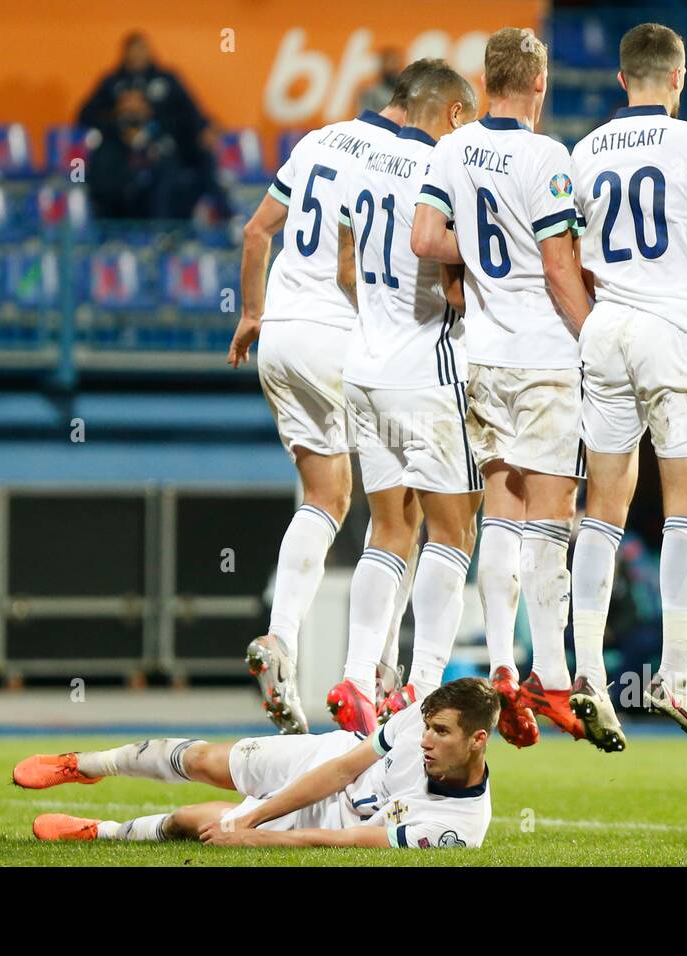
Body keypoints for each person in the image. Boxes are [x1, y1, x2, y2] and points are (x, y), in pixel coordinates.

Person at [227, 60, 436, 734]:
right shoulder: (408, 161)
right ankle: (374, 671)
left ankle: (280, 639)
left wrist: (251, 313)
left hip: (281, 338)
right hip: (345, 339)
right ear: (416, 111)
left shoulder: (317, 140)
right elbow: (359, 269)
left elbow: (256, 231)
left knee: (326, 497)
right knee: (403, 510)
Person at [411, 27, 595, 750]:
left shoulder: (450, 149)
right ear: (540, 85)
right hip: (545, 355)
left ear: (484, 81)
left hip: (480, 356)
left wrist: (485, 255)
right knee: (554, 515)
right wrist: (598, 342)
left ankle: (502, 667)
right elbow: (557, 270)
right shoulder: (548, 156)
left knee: (503, 512)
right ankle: (553, 681)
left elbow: (427, 240)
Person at [568, 22, 687, 749]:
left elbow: (571, 256)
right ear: (678, 77)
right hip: (670, 326)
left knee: (602, 504)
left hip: (605, 327)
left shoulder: (584, 149)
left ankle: (586, 670)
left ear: (620, 79)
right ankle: (674, 672)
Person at [328, 63, 481, 733]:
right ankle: (422, 689)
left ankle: (359, 677)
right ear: (452, 114)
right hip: (425, 371)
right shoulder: (448, 169)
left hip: (363, 366)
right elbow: (454, 291)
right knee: (455, 530)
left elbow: (344, 269)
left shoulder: (364, 161)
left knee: (391, 526)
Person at [13, 677, 496, 850]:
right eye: (427, 727)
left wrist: (250, 831)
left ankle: (101, 832)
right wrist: (254, 817)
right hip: (325, 759)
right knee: (203, 760)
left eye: (441, 733)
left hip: (336, 817)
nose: (426, 740)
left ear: (477, 741)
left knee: (190, 823)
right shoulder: (420, 718)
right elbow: (342, 769)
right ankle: (86, 764)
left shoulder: (456, 828)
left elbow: (348, 839)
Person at [78, 33, 225, 220]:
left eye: (142, 50)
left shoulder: (167, 80)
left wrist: (205, 128)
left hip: (162, 144)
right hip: (119, 148)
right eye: (133, 50)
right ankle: (109, 229)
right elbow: (85, 115)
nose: (138, 55)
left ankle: (222, 217)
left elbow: (190, 113)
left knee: (192, 163)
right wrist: (117, 115)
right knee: (103, 169)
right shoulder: (112, 82)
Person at [359, 48, 405, 114]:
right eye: (389, 62)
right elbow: (365, 118)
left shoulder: (407, 94)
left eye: (395, 62)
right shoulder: (371, 93)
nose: (393, 67)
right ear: (382, 65)